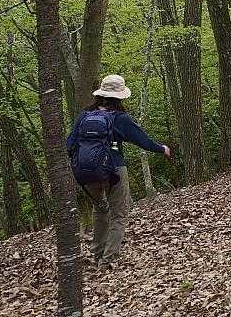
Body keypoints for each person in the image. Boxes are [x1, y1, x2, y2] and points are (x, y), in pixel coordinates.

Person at [65, 74, 172, 268]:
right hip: (114, 170)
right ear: (120, 96)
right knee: (119, 214)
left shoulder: (84, 116)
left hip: (86, 172)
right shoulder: (120, 118)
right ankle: (109, 259)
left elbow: (70, 144)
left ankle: (97, 253)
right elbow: (142, 140)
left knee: (100, 210)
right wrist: (162, 149)